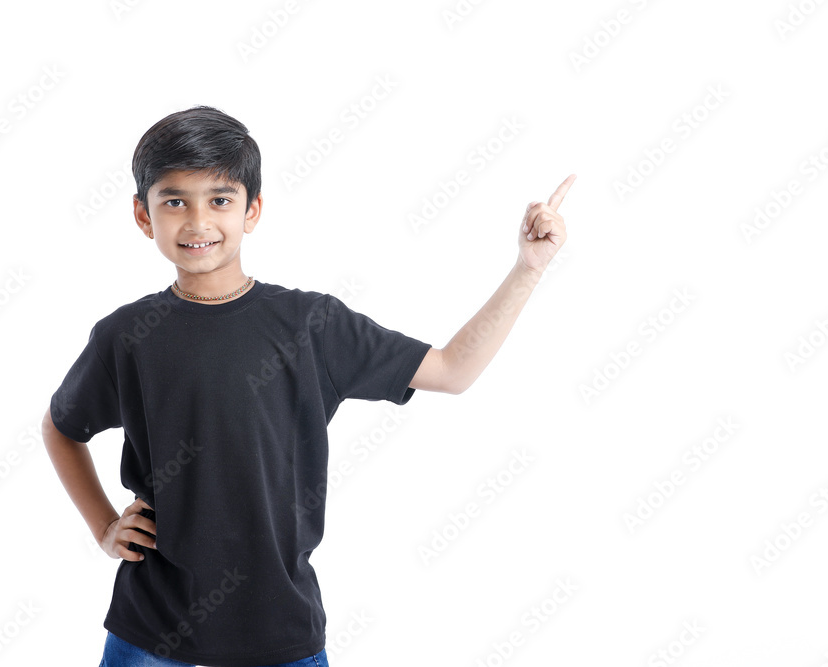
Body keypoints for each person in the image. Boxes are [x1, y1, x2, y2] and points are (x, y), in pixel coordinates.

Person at [42, 105, 575, 667]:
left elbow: (452, 370)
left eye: (220, 199)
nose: (198, 222)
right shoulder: (125, 336)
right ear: (143, 215)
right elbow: (62, 427)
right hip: (149, 631)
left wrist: (528, 268)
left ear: (253, 210)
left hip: (281, 630)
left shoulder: (312, 325)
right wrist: (103, 524)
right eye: (175, 200)